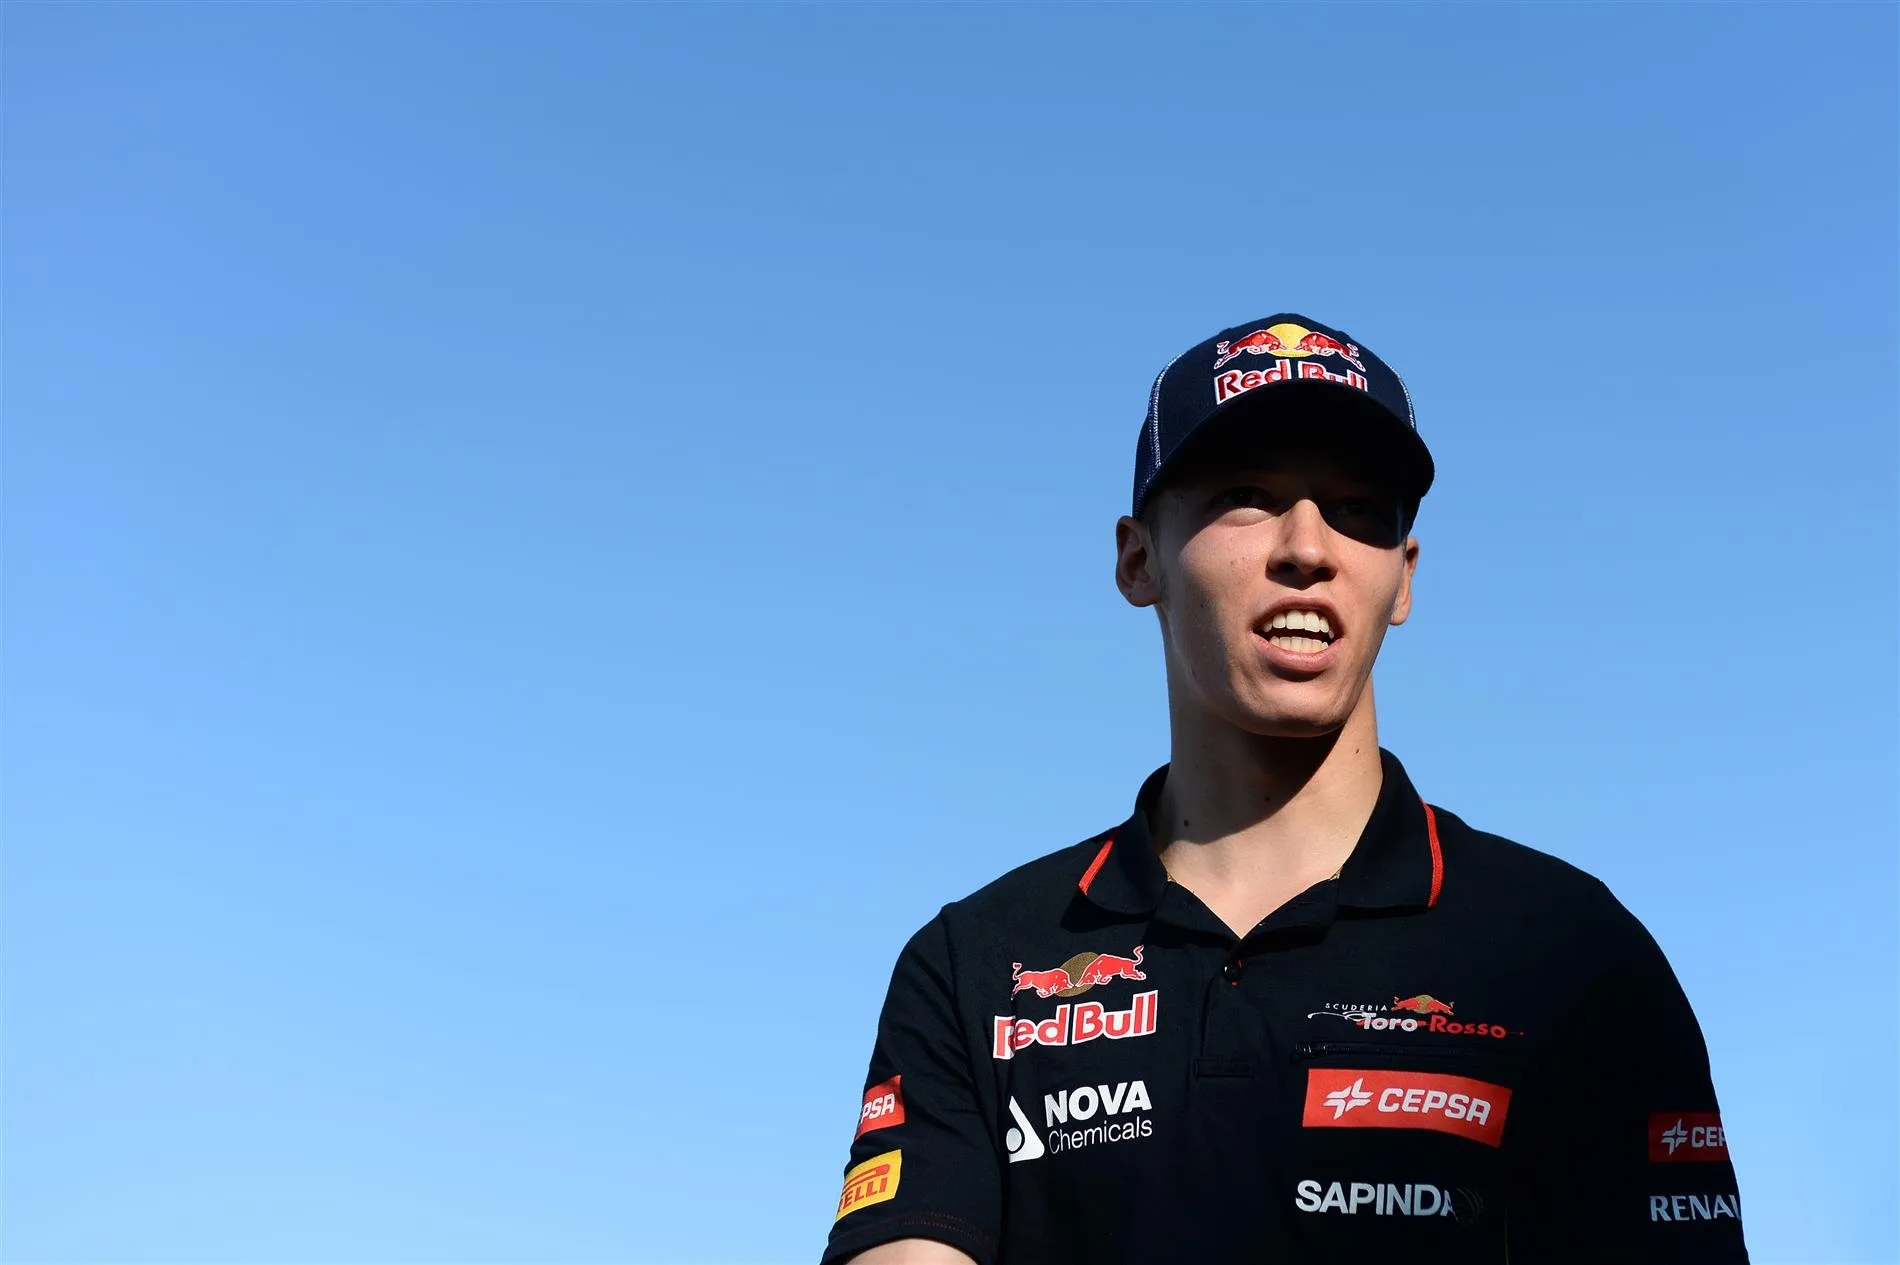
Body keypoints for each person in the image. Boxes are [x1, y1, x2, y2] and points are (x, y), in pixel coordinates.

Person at [820, 314, 1748, 1264]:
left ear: (1402, 580)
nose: (1308, 546)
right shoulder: (977, 963)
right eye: (1246, 495)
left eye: (1357, 507)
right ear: (1138, 560)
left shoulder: (1573, 950)